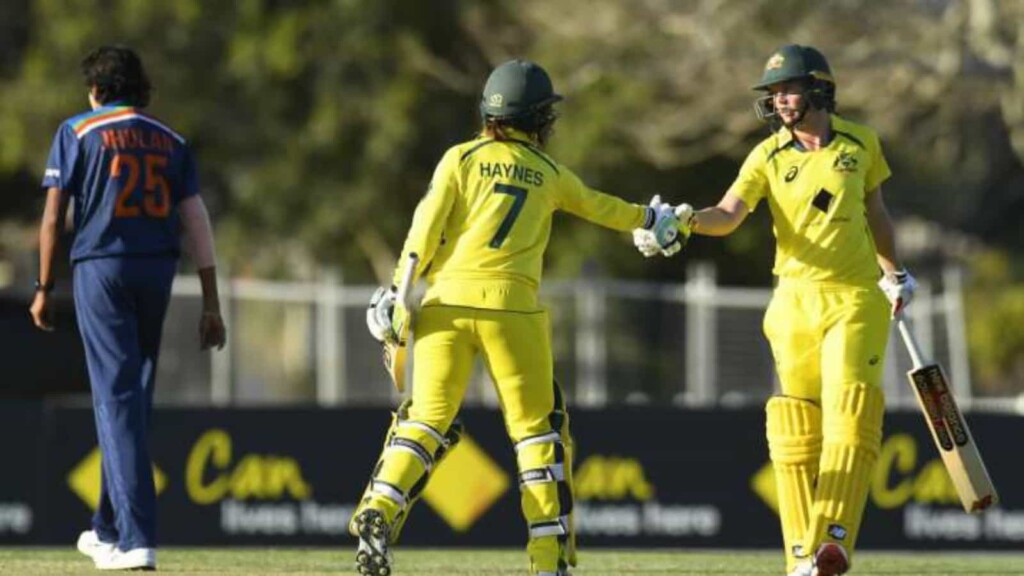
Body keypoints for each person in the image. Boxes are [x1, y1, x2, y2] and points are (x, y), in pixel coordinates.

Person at [352, 59, 682, 576]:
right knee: (536, 435)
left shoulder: (459, 158)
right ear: (536, 118)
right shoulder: (549, 174)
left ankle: (379, 509)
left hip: (445, 304)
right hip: (513, 310)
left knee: (425, 421)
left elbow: (424, 228)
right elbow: (603, 207)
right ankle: (548, 559)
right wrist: (652, 219)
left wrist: (398, 291)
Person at [634, 45, 917, 576]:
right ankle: (799, 558)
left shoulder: (861, 144)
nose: (779, 100)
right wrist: (686, 219)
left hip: (855, 297)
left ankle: (831, 542)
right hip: (792, 303)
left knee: (850, 417)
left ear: (818, 89)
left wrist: (894, 272)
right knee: (794, 430)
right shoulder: (766, 156)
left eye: (787, 89)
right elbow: (729, 214)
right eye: (773, 93)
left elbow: (876, 213)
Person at [29, 45, 226, 571]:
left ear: (95, 91)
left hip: (102, 269)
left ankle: (137, 538)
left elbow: (53, 220)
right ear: (141, 89)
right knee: (132, 398)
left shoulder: (76, 131)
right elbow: (197, 222)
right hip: (157, 271)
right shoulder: (172, 141)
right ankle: (107, 527)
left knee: (115, 398)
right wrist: (211, 301)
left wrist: (44, 286)